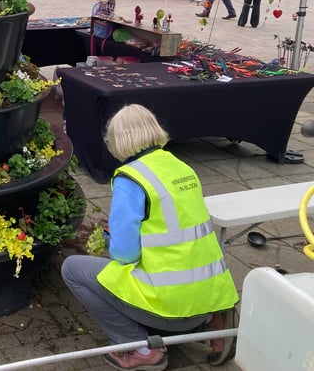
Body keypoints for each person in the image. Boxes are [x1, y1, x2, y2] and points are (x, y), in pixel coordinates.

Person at [61, 104, 239, 371]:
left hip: (169, 306)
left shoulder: (130, 178)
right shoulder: (180, 167)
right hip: (210, 296)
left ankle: (140, 349)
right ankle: (214, 323)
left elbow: (125, 255)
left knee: (73, 269)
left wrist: (111, 241)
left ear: (117, 141)